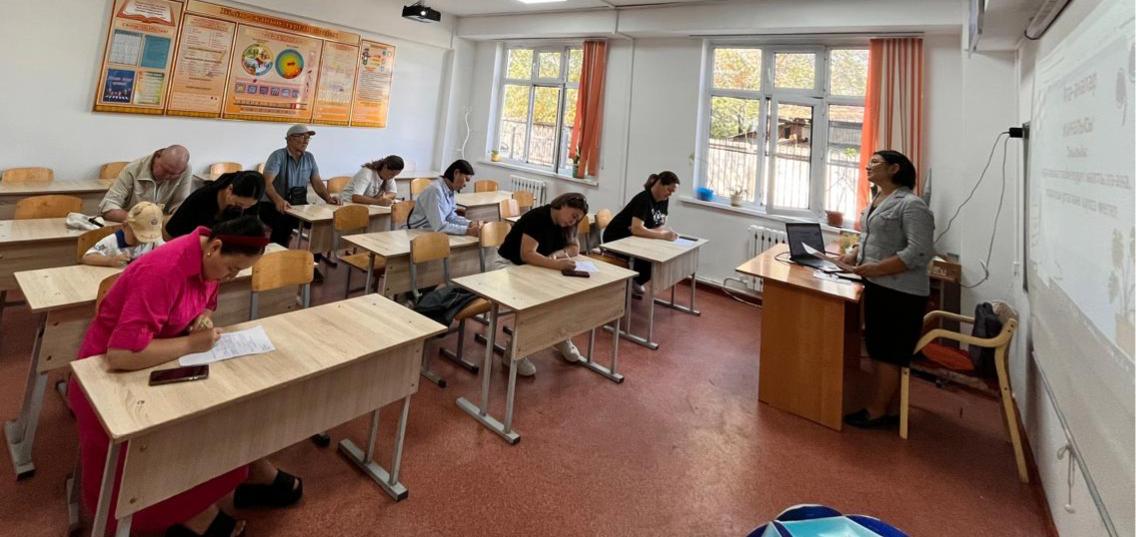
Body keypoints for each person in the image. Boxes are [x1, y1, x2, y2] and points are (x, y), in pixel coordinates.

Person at [68, 216, 302, 537]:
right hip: (107, 379)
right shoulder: (163, 271)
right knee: (175, 441)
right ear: (215, 247)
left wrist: (201, 320)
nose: (231, 277)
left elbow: (207, 302)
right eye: (232, 269)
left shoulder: (209, 259)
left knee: (230, 408)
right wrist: (192, 343)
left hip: (162, 359)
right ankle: (188, 513)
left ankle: (247, 473)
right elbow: (121, 354)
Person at [837, 150, 934, 429]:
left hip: (900, 293)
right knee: (879, 348)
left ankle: (877, 412)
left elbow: (919, 252)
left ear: (894, 169)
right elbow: (871, 236)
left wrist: (877, 268)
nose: (868, 166)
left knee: (888, 353)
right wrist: (854, 253)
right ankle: (888, 406)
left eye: (875, 163)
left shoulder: (912, 205)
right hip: (878, 286)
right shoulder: (878, 199)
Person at [495, 193, 590, 376]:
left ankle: (561, 335)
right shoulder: (538, 217)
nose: (573, 222)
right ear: (563, 205)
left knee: (566, 292)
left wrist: (557, 255)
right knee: (534, 299)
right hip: (508, 266)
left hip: (535, 267)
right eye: (573, 216)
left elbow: (574, 248)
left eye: (577, 220)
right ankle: (514, 352)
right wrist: (556, 264)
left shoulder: (565, 225)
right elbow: (527, 254)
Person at [603, 171, 681, 294]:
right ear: (659, 184)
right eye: (669, 190)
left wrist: (648, 231)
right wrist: (661, 235)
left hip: (634, 237)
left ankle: (635, 281)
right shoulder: (644, 199)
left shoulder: (664, 200)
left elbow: (660, 225)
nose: (670, 194)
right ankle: (634, 281)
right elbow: (637, 229)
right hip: (616, 238)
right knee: (651, 257)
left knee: (659, 253)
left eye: (673, 192)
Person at [258, 124, 335, 247]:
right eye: (302, 137)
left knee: (322, 220)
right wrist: (278, 200)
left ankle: (315, 257)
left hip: (298, 204)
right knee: (283, 222)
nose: (306, 141)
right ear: (289, 139)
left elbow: (317, 182)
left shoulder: (309, 157)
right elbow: (266, 182)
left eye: (308, 138)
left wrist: (328, 198)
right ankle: (276, 254)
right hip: (271, 204)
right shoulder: (277, 156)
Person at [100, 145, 193, 222]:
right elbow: (108, 207)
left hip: (161, 226)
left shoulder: (185, 170)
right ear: (157, 156)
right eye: (164, 170)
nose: (166, 176)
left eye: (173, 174)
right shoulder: (132, 169)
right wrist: (138, 220)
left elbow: (181, 205)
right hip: (131, 225)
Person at [166, 170, 265, 238]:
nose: (244, 209)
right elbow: (174, 234)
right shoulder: (201, 198)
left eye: (250, 206)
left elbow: (249, 231)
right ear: (230, 189)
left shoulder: (251, 201)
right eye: (238, 203)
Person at [407, 159, 481, 237]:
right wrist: (467, 231)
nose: (465, 185)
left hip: (432, 230)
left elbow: (450, 218)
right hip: (416, 232)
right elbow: (440, 226)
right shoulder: (435, 190)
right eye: (466, 179)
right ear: (456, 173)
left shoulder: (450, 190)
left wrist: (470, 224)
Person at [82, 202, 166, 267]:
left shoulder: (154, 239)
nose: (140, 242)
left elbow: (167, 253)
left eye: (145, 239)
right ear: (125, 226)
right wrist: (109, 260)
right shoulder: (112, 240)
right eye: (137, 237)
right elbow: (87, 257)